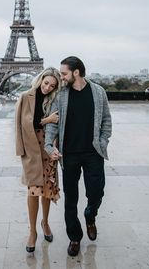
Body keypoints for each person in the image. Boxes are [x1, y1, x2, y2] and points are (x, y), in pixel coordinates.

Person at [44, 56, 112, 257]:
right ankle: (74, 237)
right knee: (71, 199)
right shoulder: (61, 95)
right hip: (69, 154)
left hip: (93, 152)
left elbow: (106, 120)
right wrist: (49, 146)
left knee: (96, 192)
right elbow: (53, 123)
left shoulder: (98, 92)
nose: (61, 77)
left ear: (76, 72)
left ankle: (90, 215)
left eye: (64, 73)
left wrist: (103, 142)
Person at [15, 67, 62, 253]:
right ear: (40, 79)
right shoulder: (26, 96)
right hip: (32, 147)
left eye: (52, 85)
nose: (48, 87)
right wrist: (46, 120)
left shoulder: (54, 99)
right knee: (33, 190)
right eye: (46, 83)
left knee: (47, 189)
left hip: (48, 147)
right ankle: (32, 231)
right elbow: (21, 125)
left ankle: (45, 223)